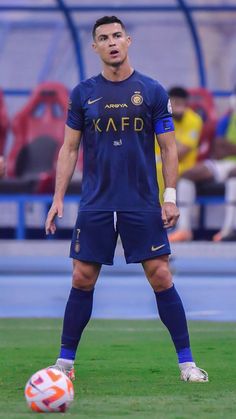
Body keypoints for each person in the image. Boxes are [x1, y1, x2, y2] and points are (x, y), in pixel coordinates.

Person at [45, 15, 208, 383]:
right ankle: (64, 367)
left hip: (141, 201)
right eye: (104, 38)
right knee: (82, 278)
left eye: (117, 35)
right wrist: (57, 198)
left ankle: (187, 365)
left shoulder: (151, 91)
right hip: (97, 202)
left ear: (128, 40)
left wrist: (169, 197)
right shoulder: (83, 94)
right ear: (95, 47)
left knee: (161, 276)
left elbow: (169, 150)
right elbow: (69, 149)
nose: (112, 42)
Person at [169, 88, 236, 242]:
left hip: (233, 169)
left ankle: (228, 229)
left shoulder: (193, 120)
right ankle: (184, 229)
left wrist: (228, 147)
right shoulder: (228, 119)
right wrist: (225, 148)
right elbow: (218, 148)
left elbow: (223, 146)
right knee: (186, 176)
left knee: (234, 178)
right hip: (222, 164)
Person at [155, 86, 202, 203]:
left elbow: (181, 152)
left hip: (184, 164)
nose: (179, 107)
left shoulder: (194, 120)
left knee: (161, 169)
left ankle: (161, 211)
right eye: (175, 102)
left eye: (182, 103)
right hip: (157, 160)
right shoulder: (159, 117)